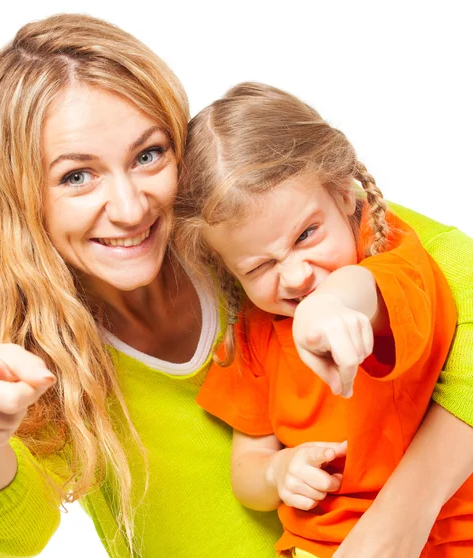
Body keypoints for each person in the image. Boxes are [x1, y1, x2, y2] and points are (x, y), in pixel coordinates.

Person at [0, 13, 473, 558]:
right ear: (17, 200)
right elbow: (18, 535)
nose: (128, 206)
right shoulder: (42, 348)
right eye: (76, 175)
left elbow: (450, 278)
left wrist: (406, 512)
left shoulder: (245, 234)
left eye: (148, 154)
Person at [173, 81, 473, 557]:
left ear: (343, 192)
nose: (294, 277)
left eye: (306, 235)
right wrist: (278, 472)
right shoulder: (251, 333)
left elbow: (367, 294)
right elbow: (248, 467)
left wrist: (329, 306)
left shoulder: (396, 261)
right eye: (259, 266)